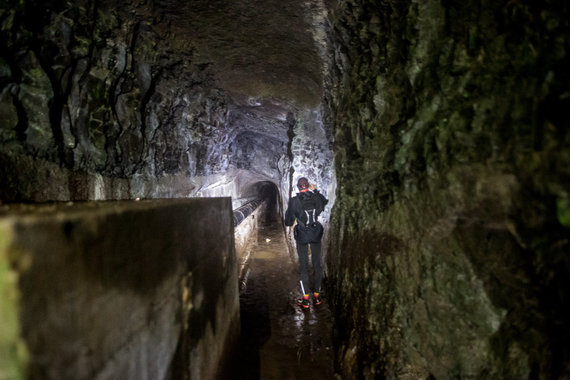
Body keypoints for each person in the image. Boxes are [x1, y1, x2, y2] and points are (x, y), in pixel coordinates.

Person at [285, 177, 329, 309]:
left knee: (303, 266)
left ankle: (305, 300)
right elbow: (324, 202)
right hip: (315, 234)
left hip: (302, 236)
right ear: (308, 186)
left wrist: (295, 220)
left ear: (298, 187)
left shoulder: (294, 201)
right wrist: (315, 191)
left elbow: (288, 221)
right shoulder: (316, 197)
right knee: (317, 265)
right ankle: (316, 296)